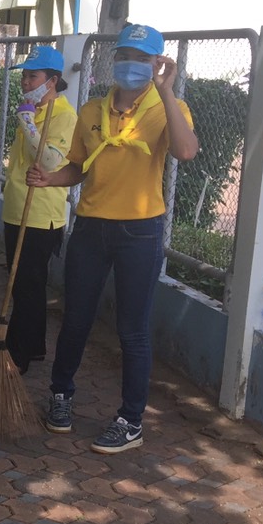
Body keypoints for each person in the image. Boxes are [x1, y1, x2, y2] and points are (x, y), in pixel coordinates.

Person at [28, 24, 199, 454]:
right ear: (113, 58)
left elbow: (185, 151)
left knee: (133, 331)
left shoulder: (168, 108)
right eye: (125, 55)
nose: (132, 65)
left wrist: (166, 91)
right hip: (90, 227)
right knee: (76, 318)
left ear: (158, 63)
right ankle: (61, 395)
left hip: (141, 231)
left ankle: (130, 419)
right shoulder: (90, 111)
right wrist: (51, 179)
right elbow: (79, 169)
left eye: (143, 58)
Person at [1, 45, 76, 375]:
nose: (26, 83)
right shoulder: (30, 110)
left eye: (33, 77)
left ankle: (17, 356)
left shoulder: (63, 116)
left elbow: (49, 162)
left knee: (27, 287)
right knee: (21, 283)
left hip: (40, 215)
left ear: (53, 81)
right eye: (24, 77)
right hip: (15, 208)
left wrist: (28, 122)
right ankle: (34, 346)